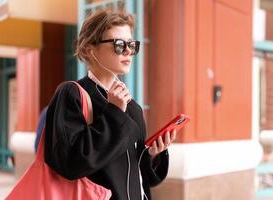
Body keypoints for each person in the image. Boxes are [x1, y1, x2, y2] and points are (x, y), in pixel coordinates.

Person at [44, 9, 176, 200]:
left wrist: (153, 157)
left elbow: (139, 176)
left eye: (131, 44)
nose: (128, 51)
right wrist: (113, 113)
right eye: (119, 44)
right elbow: (69, 164)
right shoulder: (72, 94)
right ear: (90, 49)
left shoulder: (132, 107)